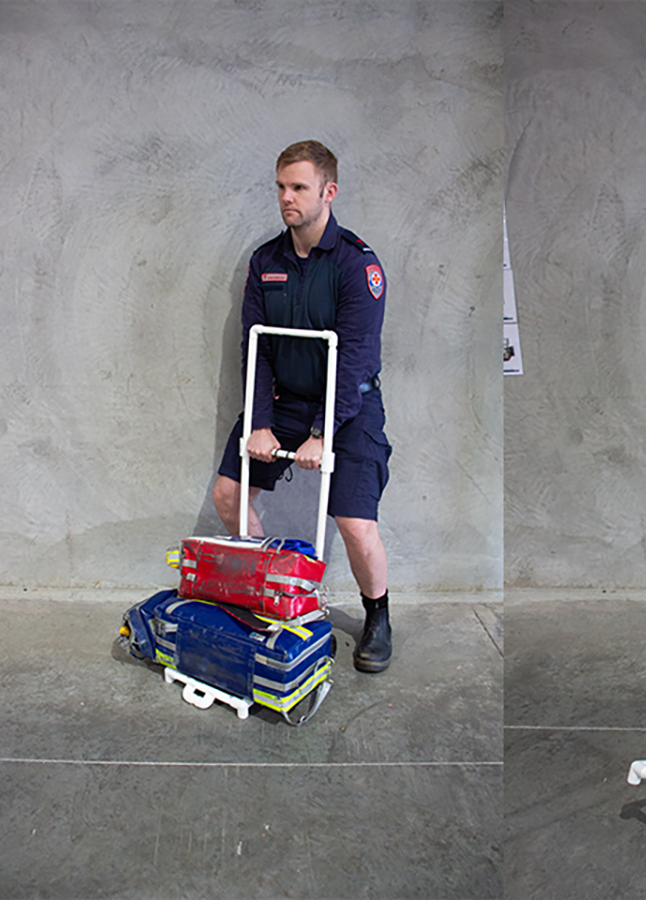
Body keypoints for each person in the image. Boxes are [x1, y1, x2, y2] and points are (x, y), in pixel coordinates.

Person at [210, 140, 395, 673]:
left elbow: (354, 358)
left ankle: (378, 615)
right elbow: (256, 346)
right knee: (228, 494)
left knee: (355, 523)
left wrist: (322, 432)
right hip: (284, 400)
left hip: (349, 405)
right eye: (281, 187)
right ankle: (276, 591)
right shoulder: (266, 260)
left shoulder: (357, 265)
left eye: (299, 188)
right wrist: (260, 422)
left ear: (328, 192)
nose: (286, 198)